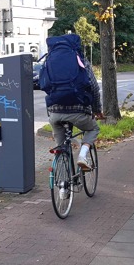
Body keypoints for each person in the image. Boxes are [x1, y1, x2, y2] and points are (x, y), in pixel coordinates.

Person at [46, 35, 103, 171]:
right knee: (93, 128)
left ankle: (61, 185)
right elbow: (94, 87)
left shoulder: (49, 61)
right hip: (78, 111)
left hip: (55, 113)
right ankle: (82, 156)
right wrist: (96, 109)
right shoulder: (81, 60)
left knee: (61, 148)